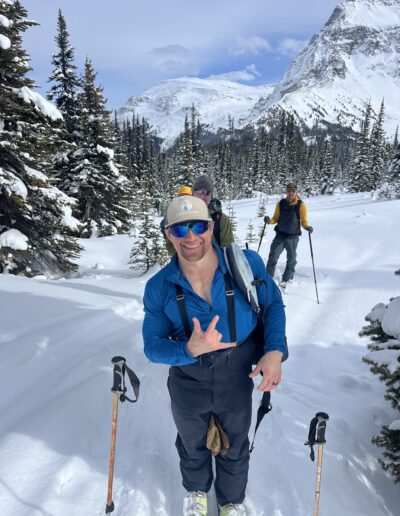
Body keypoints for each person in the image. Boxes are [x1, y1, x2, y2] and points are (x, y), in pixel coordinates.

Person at [143, 195, 287, 516]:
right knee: (192, 443)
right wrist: (188, 349)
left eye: (197, 226)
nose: (190, 237)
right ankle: (196, 493)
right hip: (187, 375)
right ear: (169, 234)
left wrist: (274, 350)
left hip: (236, 372)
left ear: (211, 227)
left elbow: (273, 304)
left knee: (234, 445)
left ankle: (229, 503)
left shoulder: (245, 264)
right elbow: (152, 345)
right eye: (180, 229)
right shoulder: (159, 286)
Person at [265, 183, 313, 288]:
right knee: (273, 256)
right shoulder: (281, 204)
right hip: (280, 235)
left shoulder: (301, 205)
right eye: (289, 190)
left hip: (293, 237)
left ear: (296, 192)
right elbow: (275, 218)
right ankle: (268, 278)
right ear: (286, 191)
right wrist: (269, 221)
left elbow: (304, 221)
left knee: (291, 259)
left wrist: (307, 227)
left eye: (293, 191)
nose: (290, 192)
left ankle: (286, 279)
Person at [192, 175, 234, 248]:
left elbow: (228, 249)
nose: (202, 197)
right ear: (193, 194)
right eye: (199, 192)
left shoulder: (221, 219)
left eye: (207, 193)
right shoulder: (183, 215)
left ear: (211, 196)